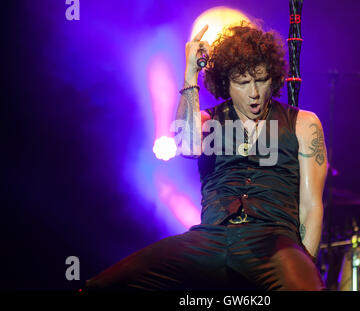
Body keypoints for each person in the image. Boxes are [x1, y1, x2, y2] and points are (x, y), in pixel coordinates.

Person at [84, 21, 327, 291]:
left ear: (274, 77)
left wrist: (306, 263)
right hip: (210, 238)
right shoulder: (206, 120)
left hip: (274, 239)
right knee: (100, 286)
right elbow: (187, 147)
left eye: (261, 80)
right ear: (226, 83)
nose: (254, 93)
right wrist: (190, 75)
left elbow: (311, 206)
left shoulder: (303, 123)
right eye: (243, 83)